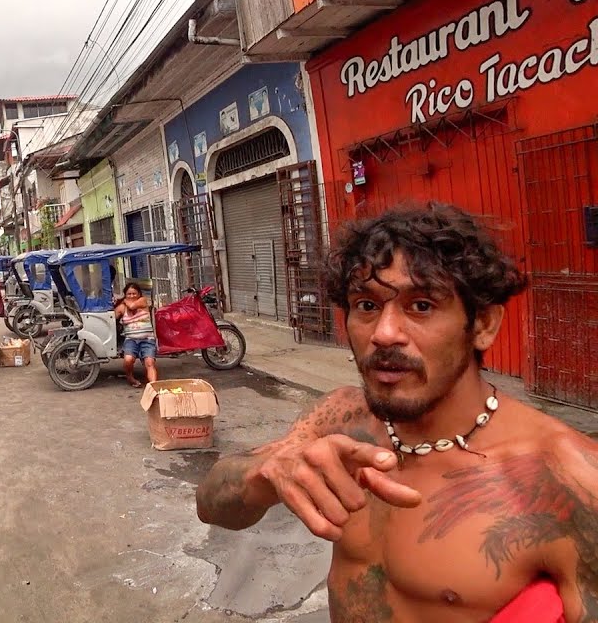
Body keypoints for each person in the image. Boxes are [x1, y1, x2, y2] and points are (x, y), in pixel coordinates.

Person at [195, 203, 597, 622]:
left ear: (483, 326)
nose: (384, 334)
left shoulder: (567, 481)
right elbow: (211, 506)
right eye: (366, 306)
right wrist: (266, 472)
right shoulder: (341, 418)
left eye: (421, 305)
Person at [115, 283, 157, 387]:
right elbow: (111, 318)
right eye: (129, 294)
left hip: (147, 339)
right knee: (128, 360)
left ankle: (153, 387)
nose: (132, 296)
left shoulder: (143, 301)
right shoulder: (122, 308)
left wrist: (124, 300)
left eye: (134, 293)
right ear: (125, 294)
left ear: (139, 294)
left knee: (150, 362)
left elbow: (132, 306)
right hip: (131, 340)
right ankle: (130, 377)